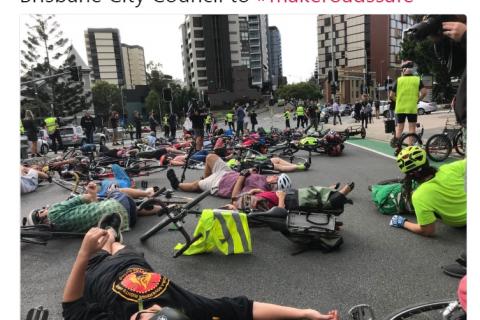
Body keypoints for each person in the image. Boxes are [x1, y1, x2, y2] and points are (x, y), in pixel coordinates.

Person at [62, 227, 339, 320]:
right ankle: (112, 235)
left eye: (138, 318)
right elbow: (243, 309)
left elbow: (71, 305)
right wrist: (304, 313)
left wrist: (84, 253)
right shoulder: (187, 308)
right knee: (114, 238)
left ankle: (108, 236)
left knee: (104, 237)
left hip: (94, 267)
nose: (139, 314)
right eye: (151, 314)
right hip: (132, 262)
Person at [26, 182, 163, 232]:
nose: (45, 208)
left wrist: (93, 198)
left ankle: (163, 208)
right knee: (114, 191)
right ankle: (148, 192)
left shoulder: (59, 228)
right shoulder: (55, 211)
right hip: (121, 204)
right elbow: (88, 197)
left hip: (126, 222)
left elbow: (91, 212)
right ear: (41, 215)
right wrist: (91, 191)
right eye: (41, 209)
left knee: (131, 209)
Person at [389, 147, 466, 237]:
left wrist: (403, 223)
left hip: (461, 222)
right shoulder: (449, 168)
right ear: (427, 161)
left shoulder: (418, 196)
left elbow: (428, 231)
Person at [166, 154, 289, 199]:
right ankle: (205, 180)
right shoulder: (265, 178)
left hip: (221, 184)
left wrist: (242, 177)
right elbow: (250, 175)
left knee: (195, 186)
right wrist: (252, 171)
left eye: (277, 178)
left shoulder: (260, 189)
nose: (275, 176)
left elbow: (235, 197)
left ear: (274, 184)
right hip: (228, 173)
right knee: (210, 157)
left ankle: (177, 185)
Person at [224, 182, 354, 213]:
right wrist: (280, 198)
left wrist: (257, 191)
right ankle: (341, 194)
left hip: (287, 194)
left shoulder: (243, 200)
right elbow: (278, 213)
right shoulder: (246, 208)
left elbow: (264, 197)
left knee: (312, 191)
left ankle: (330, 189)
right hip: (289, 200)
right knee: (317, 201)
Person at [389, 61, 427, 145]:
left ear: (403, 70)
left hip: (400, 108)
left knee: (400, 128)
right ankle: (410, 148)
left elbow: (391, 96)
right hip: (411, 108)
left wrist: (397, 100)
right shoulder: (417, 80)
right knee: (412, 129)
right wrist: (418, 100)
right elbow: (424, 92)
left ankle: (398, 148)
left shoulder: (398, 80)